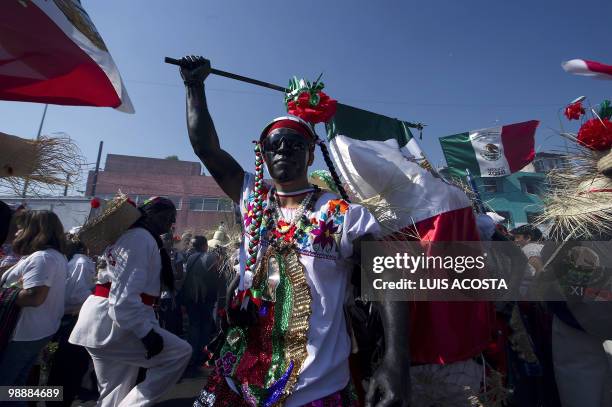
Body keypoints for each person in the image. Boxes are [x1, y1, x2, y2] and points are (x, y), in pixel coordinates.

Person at [179, 55, 409, 407]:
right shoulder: (251, 196)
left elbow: (388, 279)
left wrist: (395, 363)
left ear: (310, 156)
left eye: (294, 144)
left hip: (314, 387)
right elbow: (205, 147)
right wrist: (194, 87)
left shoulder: (341, 214)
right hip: (238, 379)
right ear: (264, 155)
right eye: (275, 145)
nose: (284, 149)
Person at [69, 197, 192, 407]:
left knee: (113, 392)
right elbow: (123, 298)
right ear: (148, 214)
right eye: (165, 216)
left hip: (106, 321)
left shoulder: (135, 236)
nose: (170, 222)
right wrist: (145, 332)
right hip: (115, 323)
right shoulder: (141, 238)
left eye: (172, 218)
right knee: (180, 353)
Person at [0, 210, 68, 390]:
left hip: (23, 334)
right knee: (15, 388)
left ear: (34, 230)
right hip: (34, 332)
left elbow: (35, 297)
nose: (16, 232)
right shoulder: (49, 256)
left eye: (21, 228)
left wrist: (4, 293)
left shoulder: (43, 258)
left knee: (5, 388)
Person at [47, 235, 96, 406]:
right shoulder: (81, 261)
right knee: (69, 367)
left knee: (61, 368)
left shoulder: (72, 260)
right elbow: (76, 295)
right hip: (72, 319)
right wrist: (99, 295)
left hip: (63, 320)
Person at [178, 235, 218, 370]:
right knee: (205, 326)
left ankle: (192, 355)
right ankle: (202, 355)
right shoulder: (210, 258)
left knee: (194, 326)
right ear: (205, 245)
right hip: (205, 298)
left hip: (191, 298)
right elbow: (213, 279)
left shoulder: (190, 258)